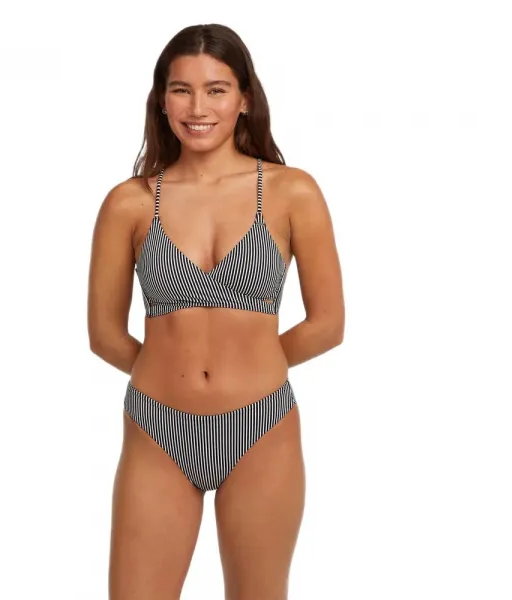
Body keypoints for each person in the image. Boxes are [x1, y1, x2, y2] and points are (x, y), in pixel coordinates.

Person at [87, 22, 345, 600]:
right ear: (161, 100)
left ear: (245, 98)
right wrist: (168, 370)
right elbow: (103, 335)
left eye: (216, 89)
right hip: (157, 428)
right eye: (181, 90)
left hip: (262, 427)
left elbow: (328, 324)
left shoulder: (292, 192)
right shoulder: (129, 202)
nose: (197, 107)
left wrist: (250, 366)